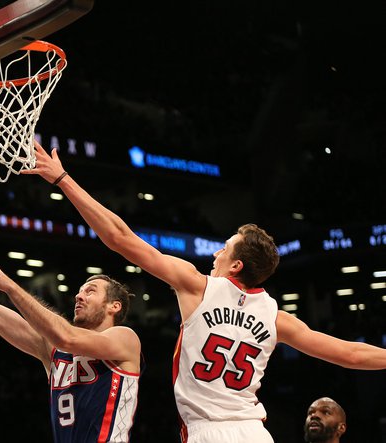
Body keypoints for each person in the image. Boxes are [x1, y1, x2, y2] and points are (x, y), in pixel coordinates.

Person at [23, 140, 386, 443]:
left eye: (225, 247)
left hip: (207, 433)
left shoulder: (196, 285)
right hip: (256, 433)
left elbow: (119, 237)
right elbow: (350, 354)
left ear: (236, 265)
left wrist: (64, 180)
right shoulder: (277, 318)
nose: (216, 251)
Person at [0, 208, 144, 443]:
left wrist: (9, 286)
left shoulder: (124, 338)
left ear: (114, 306)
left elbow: (67, 336)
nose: (79, 297)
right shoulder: (54, 350)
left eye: (90, 292)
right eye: (79, 292)